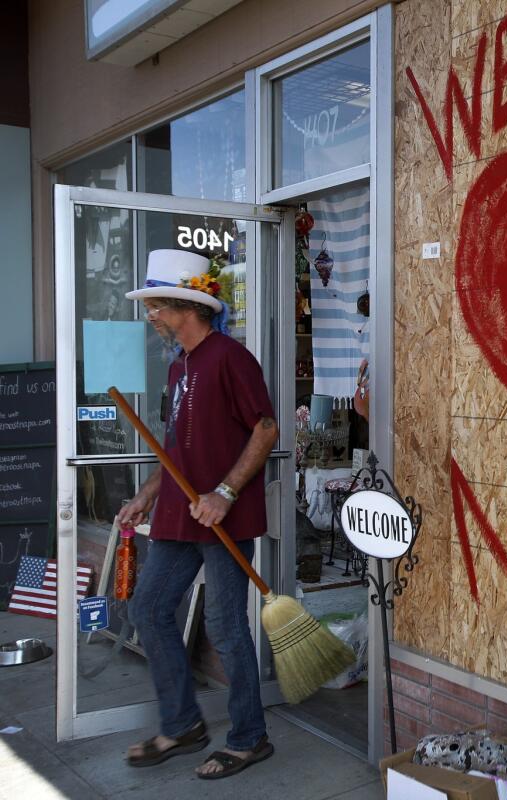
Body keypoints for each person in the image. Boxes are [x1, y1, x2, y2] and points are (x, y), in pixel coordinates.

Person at [116, 249, 278, 780]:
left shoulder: (230, 358)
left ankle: (249, 738)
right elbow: (174, 450)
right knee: (151, 608)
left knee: (226, 627)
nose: (151, 316)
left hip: (223, 516)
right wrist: (145, 495)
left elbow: (266, 429)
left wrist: (226, 492)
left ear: (184, 306)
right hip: (179, 515)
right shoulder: (178, 366)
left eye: (156, 306)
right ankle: (184, 724)